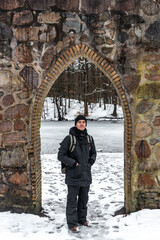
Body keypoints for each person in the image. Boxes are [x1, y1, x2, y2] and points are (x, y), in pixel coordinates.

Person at [58, 115, 97, 232]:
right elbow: (61, 156)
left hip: (86, 175)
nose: (81, 124)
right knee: (72, 201)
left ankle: (82, 219)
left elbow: (93, 153)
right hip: (73, 176)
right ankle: (72, 223)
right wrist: (73, 163)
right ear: (75, 124)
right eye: (79, 122)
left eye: (83, 122)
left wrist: (91, 161)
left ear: (86, 124)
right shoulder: (69, 139)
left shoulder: (89, 139)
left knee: (83, 199)